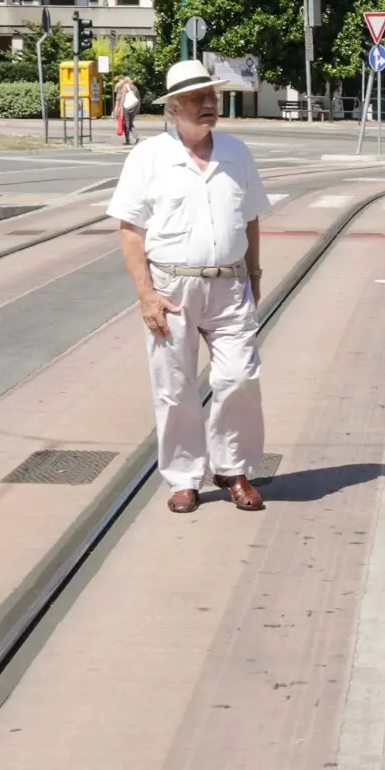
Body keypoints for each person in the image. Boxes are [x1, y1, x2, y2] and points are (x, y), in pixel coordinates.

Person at [108, 58, 273, 516]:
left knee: (240, 377)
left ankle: (232, 467)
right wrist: (145, 294)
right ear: (173, 107)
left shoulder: (237, 153)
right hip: (171, 287)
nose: (208, 105)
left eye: (212, 97)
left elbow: (252, 218)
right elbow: (129, 229)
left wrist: (255, 274)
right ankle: (183, 477)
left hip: (231, 286)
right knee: (174, 386)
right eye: (197, 98)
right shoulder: (147, 157)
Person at [114, 75, 142, 145]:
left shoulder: (125, 87)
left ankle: (129, 139)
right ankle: (133, 137)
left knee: (126, 123)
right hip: (134, 106)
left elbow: (123, 98)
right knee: (130, 122)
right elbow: (139, 98)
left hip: (126, 107)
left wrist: (120, 107)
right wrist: (138, 108)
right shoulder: (135, 87)